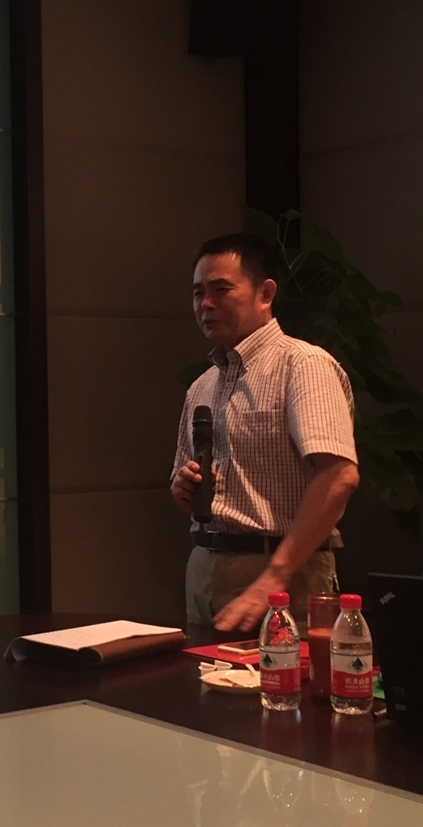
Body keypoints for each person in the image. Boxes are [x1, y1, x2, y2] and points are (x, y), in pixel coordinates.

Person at [170, 233, 360, 632]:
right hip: (204, 568)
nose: (206, 304)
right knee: (198, 675)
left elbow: (339, 475)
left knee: (282, 677)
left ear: (265, 293)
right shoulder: (202, 385)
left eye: (221, 290)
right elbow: (183, 487)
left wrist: (274, 577)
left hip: (282, 575)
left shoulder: (302, 365)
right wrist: (183, 488)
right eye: (198, 293)